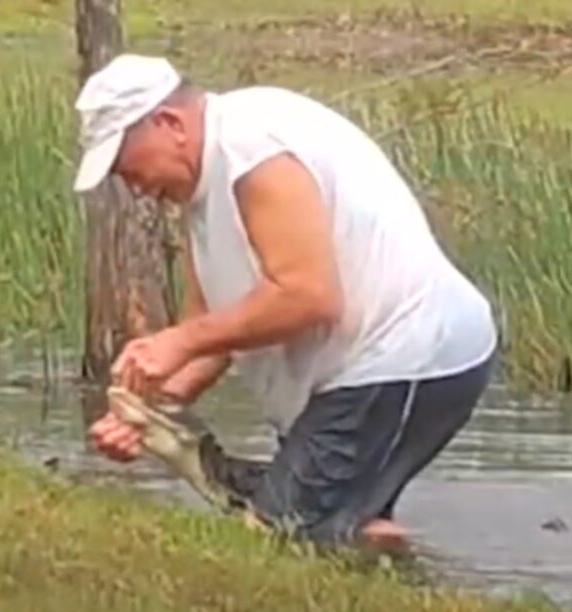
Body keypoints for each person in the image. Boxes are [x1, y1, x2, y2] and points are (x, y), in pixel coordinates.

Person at [75, 53, 498, 549]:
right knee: (336, 526)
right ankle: (389, 583)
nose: (135, 187)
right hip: (352, 376)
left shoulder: (252, 147)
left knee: (280, 537)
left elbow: (310, 296)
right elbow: (213, 331)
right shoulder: (200, 195)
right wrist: (143, 410)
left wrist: (178, 340)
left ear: (169, 124)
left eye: (127, 167)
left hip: (407, 355)